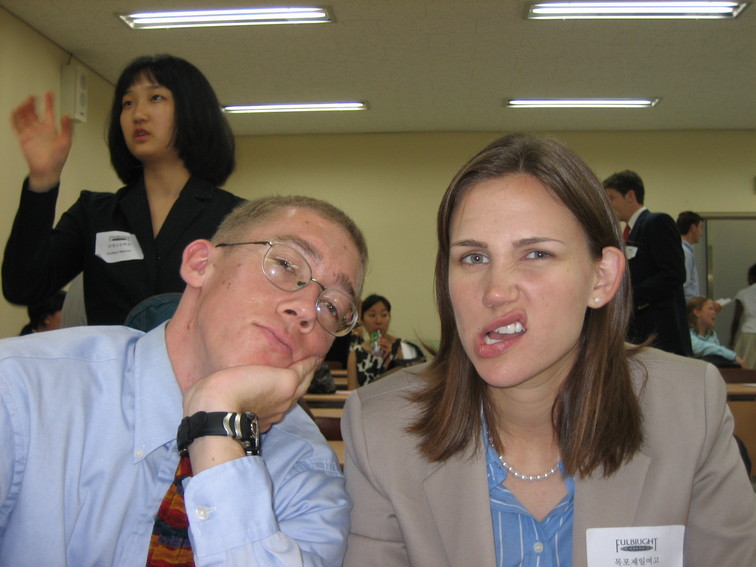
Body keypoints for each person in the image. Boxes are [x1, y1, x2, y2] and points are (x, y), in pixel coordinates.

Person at [341, 134, 756, 567]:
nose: (495, 291)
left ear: (601, 278)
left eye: (536, 253)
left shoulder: (690, 408)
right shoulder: (381, 428)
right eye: (474, 258)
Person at [0, 195, 367, 566]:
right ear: (200, 264)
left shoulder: (307, 471)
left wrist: (219, 421)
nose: (306, 310)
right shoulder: (19, 391)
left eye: (332, 306)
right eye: (286, 264)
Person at [3, 54, 243, 326]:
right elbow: (22, 287)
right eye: (128, 103)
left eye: (156, 98)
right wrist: (42, 180)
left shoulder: (238, 218)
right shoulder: (94, 213)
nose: (138, 114)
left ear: (192, 110)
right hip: (112, 355)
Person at [603, 170, 692, 356]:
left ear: (630, 196)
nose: (608, 205)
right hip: (638, 330)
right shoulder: (628, 233)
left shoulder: (657, 222)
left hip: (660, 331)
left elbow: (673, 274)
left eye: (611, 198)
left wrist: (629, 299)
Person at [346, 293, 425, 389]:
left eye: (384, 315)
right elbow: (352, 392)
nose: (378, 321)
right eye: (372, 315)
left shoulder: (404, 347)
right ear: (362, 320)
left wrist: (392, 361)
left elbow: (416, 385)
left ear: (389, 318)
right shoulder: (356, 353)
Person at [687, 296, 747, 368]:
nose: (715, 312)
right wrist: (733, 356)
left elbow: (716, 354)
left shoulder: (712, 335)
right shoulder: (687, 335)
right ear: (697, 312)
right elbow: (700, 348)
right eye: (710, 309)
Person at [730, 262, 756, 368]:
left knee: (747, 367)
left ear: (751, 278)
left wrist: (732, 339)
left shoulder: (743, 293)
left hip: (749, 332)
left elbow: (736, 319)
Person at [677, 210, 704, 300]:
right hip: (688, 305)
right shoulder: (685, 253)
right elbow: (685, 287)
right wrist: (700, 303)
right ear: (693, 228)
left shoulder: (680, 249)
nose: (701, 233)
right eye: (700, 228)